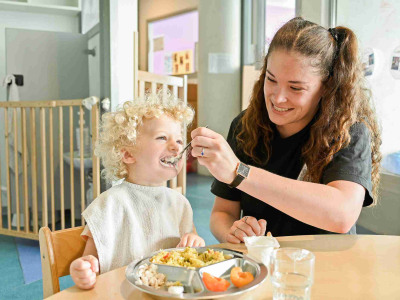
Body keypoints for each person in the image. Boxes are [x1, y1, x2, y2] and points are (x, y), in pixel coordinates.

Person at [190, 17, 381, 243]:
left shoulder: (348, 130)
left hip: (326, 268)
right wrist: (233, 232)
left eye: (295, 87)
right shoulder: (244, 126)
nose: (278, 97)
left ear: (326, 87)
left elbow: (342, 215)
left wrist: (240, 172)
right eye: (271, 80)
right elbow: (222, 213)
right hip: (262, 268)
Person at [70, 92, 205, 289]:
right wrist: (83, 269)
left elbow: (192, 248)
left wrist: (195, 241)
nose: (176, 148)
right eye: (162, 137)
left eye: (178, 140)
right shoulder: (109, 203)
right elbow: (91, 261)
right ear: (127, 154)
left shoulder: (180, 203)